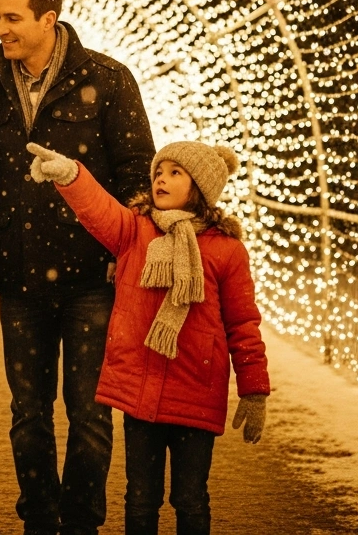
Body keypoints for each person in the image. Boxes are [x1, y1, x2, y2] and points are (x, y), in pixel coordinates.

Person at [0, 0, 155, 535]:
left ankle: (80, 523)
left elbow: (136, 173)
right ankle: (38, 521)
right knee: (27, 416)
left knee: (89, 416)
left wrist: (125, 251)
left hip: (90, 278)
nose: (0, 27)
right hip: (20, 280)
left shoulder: (107, 79)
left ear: (47, 19)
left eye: (12, 17)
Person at [27, 140, 270, 535]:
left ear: (201, 187)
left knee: (190, 499)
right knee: (140, 497)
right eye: (159, 171)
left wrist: (254, 389)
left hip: (196, 391)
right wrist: (70, 174)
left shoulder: (226, 250)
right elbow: (98, 209)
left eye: (176, 173)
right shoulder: (136, 231)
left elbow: (243, 323)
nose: (161, 179)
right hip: (142, 395)